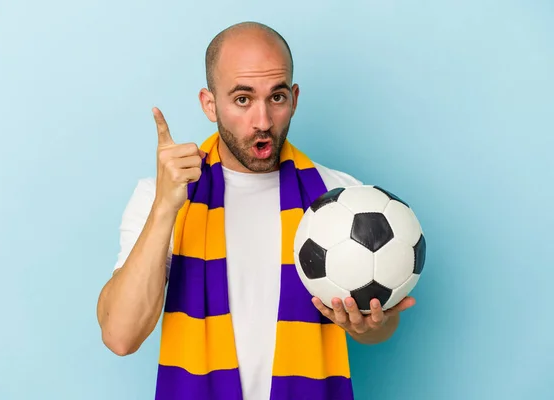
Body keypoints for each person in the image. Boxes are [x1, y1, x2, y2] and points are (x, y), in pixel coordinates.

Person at [96, 21, 415, 400]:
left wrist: (369, 327)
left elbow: (378, 324)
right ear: (209, 103)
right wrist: (166, 208)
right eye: (243, 99)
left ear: (294, 98)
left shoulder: (339, 197)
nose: (262, 121)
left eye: (276, 97)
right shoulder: (160, 197)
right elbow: (120, 336)